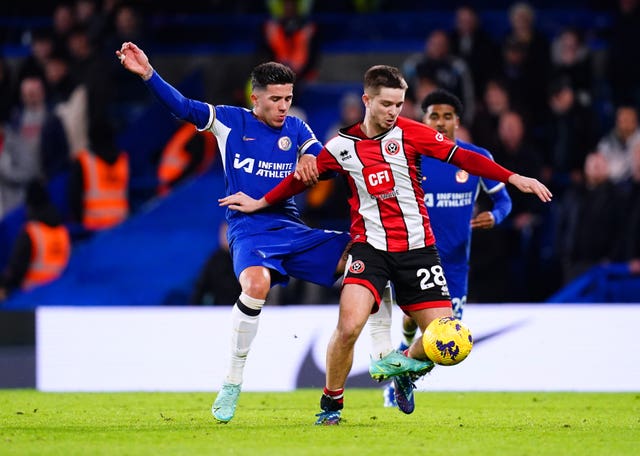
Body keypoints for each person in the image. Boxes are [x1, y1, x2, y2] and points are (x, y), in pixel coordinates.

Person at [219, 65, 552, 424]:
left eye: (400, 104)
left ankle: (404, 365)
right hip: (370, 251)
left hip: (418, 253)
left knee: (451, 343)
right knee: (347, 329)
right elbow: (300, 182)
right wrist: (260, 202)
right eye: (387, 104)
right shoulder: (342, 148)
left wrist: (513, 177)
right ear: (367, 100)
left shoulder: (412, 134)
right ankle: (331, 405)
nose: (395, 112)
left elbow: (465, 157)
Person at [116, 41, 370, 425]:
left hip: (290, 225)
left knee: (365, 255)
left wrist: (309, 158)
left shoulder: (297, 127)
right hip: (248, 227)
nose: (284, 106)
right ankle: (232, 382)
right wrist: (150, 75)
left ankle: (386, 350)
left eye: (288, 98)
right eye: (276, 99)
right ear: (256, 98)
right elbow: (183, 107)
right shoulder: (230, 121)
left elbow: (322, 160)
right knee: (255, 285)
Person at [371, 89, 512, 408]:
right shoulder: (409, 158)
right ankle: (404, 364)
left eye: (448, 116)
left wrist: (495, 215)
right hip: (414, 259)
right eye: (434, 115)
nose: (441, 122)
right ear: (424, 120)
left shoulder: (475, 158)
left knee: (447, 340)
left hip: (456, 266)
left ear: (457, 121)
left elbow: (504, 200)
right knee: (410, 322)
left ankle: (402, 372)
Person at [0, 180, 71, 302]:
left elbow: (16, 269)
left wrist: (4, 284)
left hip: (30, 297)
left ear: (29, 205)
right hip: (58, 295)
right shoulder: (62, 232)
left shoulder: (31, 233)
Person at [68, 118, 129, 232]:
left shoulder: (83, 161)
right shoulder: (123, 160)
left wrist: (79, 220)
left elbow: (74, 197)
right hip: (120, 225)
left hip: (93, 228)